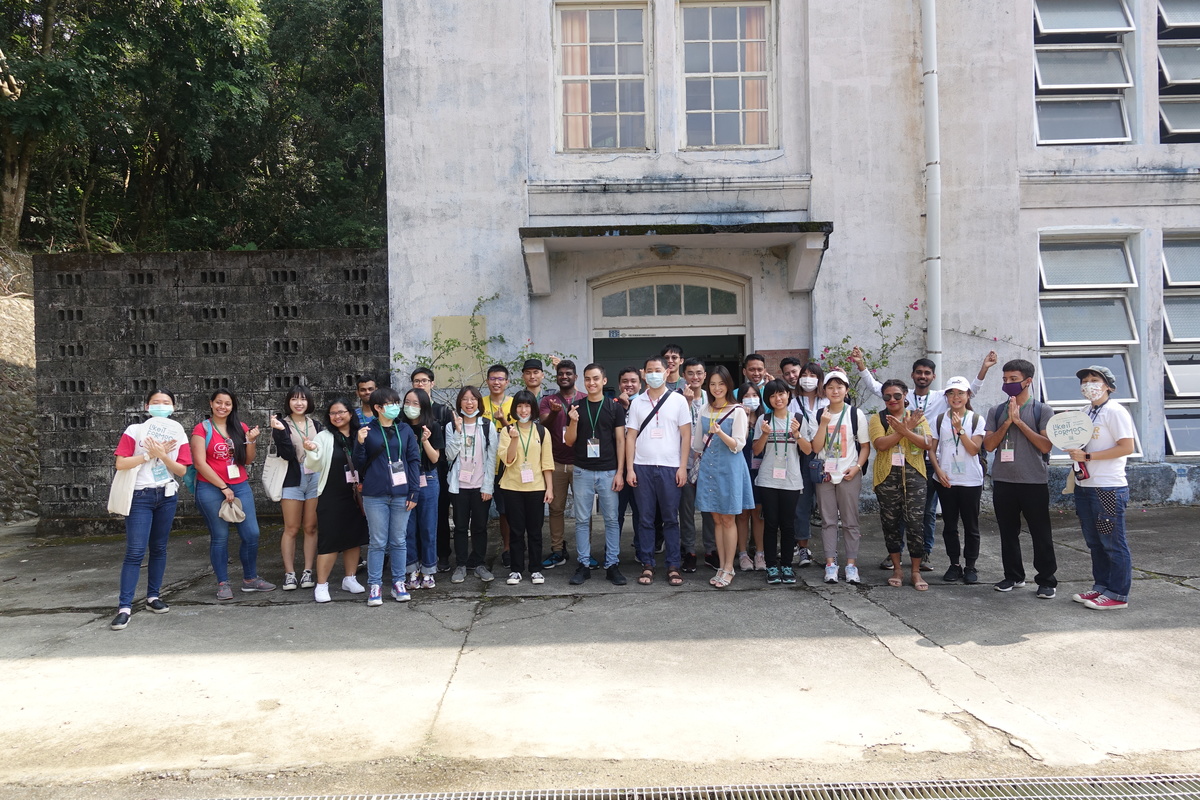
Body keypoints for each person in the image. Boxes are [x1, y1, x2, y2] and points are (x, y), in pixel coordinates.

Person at [850, 348, 998, 571]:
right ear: (912, 375)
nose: (922, 376)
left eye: (927, 373)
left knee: (925, 512)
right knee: (897, 512)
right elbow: (877, 387)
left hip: (930, 460)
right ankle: (895, 554)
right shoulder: (903, 393)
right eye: (919, 372)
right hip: (905, 458)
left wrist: (984, 369)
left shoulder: (942, 396)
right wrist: (861, 366)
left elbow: (969, 392)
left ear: (933, 377)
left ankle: (924, 552)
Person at [110, 389, 192, 630]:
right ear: (147, 407)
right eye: (156, 402)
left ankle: (153, 597)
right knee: (135, 551)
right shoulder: (135, 431)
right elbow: (121, 462)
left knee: (159, 548)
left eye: (166, 402)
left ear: (173, 408)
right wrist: (148, 455)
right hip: (140, 495)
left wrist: (163, 455)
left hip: (166, 495)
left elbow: (182, 470)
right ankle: (124, 607)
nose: (161, 405)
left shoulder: (178, 433)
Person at [982, 359, 1058, 598]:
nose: (1008, 384)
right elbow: (990, 445)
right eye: (1005, 380)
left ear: (1028, 381)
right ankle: (1013, 575)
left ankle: (1046, 580)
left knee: (1040, 532)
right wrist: (1007, 421)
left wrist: (1020, 422)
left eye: (1013, 379)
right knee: (1007, 531)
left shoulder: (1042, 410)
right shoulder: (996, 410)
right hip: (1004, 480)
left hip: (1033, 481)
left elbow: (1046, 445)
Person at [191, 390, 272, 599]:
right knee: (220, 536)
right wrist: (223, 487)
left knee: (252, 533)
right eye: (219, 402)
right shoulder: (202, 429)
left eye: (227, 403)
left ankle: (250, 579)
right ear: (211, 404)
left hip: (240, 485)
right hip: (210, 487)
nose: (223, 407)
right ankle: (223, 583)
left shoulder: (240, 427)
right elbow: (200, 463)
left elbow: (246, 461)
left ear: (232, 406)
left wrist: (251, 441)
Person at [1068, 366, 1136, 610]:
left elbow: (1126, 447)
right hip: (1085, 486)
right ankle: (1101, 587)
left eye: (1094, 380)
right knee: (1094, 541)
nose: (1089, 384)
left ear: (1108, 385)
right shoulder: (1085, 412)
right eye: (1085, 381)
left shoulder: (1115, 412)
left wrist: (1087, 457)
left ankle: (1118, 594)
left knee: (1112, 542)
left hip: (1107, 488)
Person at [624, 355, 692, 586]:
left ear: (667, 373)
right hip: (642, 467)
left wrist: (683, 467)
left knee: (671, 519)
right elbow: (630, 436)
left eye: (658, 370)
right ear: (644, 374)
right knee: (645, 519)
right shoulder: (637, 402)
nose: (654, 374)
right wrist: (629, 469)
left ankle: (673, 565)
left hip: (670, 468)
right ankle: (647, 564)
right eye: (649, 370)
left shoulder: (678, 401)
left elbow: (686, 435)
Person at [354, 387, 421, 605]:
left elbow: (413, 460)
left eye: (395, 402)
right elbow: (359, 464)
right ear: (377, 408)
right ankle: (375, 586)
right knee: (378, 542)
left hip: (402, 494)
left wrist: (414, 491)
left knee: (399, 540)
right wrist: (360, 444)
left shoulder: (405, 430)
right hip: (375, 495)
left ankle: (398, 583)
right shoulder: (366, 430)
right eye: (389, 403)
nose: (394, 407)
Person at [564, 364, 628, 585]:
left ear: (603, 380)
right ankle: (584, 564)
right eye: (587, 379)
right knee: (582, 520)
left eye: (595, 378)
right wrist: (572, 421)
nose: (591, 383)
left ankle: (612, 564)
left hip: (609, 471)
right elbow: (569, 441)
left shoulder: (614, 407)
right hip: (582, 471)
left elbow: (621, 441)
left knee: (611, 520)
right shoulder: (576, 407)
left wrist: (620, 472)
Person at [693, 366, 755, 588]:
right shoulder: (704, 409)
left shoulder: (737, 410)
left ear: (729, 385)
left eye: (721, 383)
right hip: (709, 469)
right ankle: (721, 565)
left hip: (730, 469)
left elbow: (739, 445)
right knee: (716, 519)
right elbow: (697, 444)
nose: (716, 388)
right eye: (712, 384)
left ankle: (729, 567)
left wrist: (720, 433)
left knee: (728, 518)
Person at [301, 398, 369, 602]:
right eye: (332, 413)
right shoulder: (324, 436)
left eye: (341, 412)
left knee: (354, 538)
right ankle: (322, 584)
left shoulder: (360, 435)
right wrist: (311, 450)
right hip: (331, 493)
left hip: (355, 494)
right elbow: (315, 464)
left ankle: (350, 578)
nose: (337, 416)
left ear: (350, 413)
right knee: (330, 539)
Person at [869, 379, 933, 591]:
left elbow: (926, 443)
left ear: (905, 395)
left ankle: (915, 571)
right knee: (891, 524)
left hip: (914, 476)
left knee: (915, 524)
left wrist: (906, 429)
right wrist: (906, 430)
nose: (892, 400)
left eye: (897, 395)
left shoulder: (917, 416)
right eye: (887, 396)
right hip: (887, 477)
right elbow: (880, 444)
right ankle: (897, 568)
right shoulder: (878, 418)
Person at [808, 371, 870, 585]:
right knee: (828, 522)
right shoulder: (818, 415)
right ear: (824, 391)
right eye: (831, 387)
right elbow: (815, 448)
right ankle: (830, 564)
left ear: (846, 390)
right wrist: (824, 423)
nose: (835, 391)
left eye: (839, 387)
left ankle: (851, 565)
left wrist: (857, 467)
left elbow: (864, 446)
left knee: (851, 522)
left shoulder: (855, 414)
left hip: (848, 474)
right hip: (825, 475)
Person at [927, 377, 987, 585]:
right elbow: (932, 450)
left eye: (960, 393)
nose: (956, 397)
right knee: (950, 525)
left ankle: (970, 565)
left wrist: (960, 429)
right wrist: (938, 470)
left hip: (970, 480)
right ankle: (954, 564)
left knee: (971, 525)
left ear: (968, 395)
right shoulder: (938, 419)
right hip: (946, 479)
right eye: (951, 393)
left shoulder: (976, 419)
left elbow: (973, 450)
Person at [752, 379, 812, 585]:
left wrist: (796, 435)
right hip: (768, 479)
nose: (778, 398)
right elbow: (757, 450)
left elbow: (808, 449)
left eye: (781, 394)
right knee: (770, 524)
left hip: (791, 480)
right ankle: (771, 566)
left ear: (788, 395)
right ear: (768, 399)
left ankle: (786, 565)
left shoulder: (799, 419)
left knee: (788, 525)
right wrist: (765, 434)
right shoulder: (764, 419)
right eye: (772, 395)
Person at [497, 390, 555, 585]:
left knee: (535, 530)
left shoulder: (541, 431)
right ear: (515, 409)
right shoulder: (507, 431)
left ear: (533, 408)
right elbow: (508, 459)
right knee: (516, 530)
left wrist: (550, 488)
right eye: (520, 406)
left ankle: (536, 569)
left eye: (527, 406)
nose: (523, 410)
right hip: (512, 487)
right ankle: (516, 569)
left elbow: (547, 461)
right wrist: (513, 439)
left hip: (536, 487)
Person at [269, 385, 323, 591]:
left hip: (314, 477)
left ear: (309, 402)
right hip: (291, 477)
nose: (299, 403)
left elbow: (323, 453)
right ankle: (289, 573)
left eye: (303, 399)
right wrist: (281, 432)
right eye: (294, 399)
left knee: (310, 527)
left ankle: (308, 571)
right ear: (288, 402)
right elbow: (287, 455)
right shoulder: (281, 424)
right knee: (291, 528)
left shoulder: (316, 425)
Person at [444, 386, 498, 584]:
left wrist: (488, 487)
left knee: (480, 527)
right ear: (459, 403)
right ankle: (460, 564)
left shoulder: (486, 425)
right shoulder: (451, 426)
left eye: (473, 399)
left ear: (478, 402)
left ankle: (479, 563)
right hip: (458, 486)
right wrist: (458, 432)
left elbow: (492, 458)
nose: (469, 403)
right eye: (465, 399)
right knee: (459, 527)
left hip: (479, 485)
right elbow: (449, 455)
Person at [539, 359, 583, 570]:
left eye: (568, 373)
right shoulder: (548, 401)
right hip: (555, 462)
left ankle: (586, 551)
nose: (564, 377)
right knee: (555, 509)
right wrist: (556, 412)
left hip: (581, 463)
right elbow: (544, 424)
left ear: (575, 377)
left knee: (583, 511)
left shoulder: (584, 399)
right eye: (560, 374)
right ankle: (557, 550)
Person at [411, 368, 455, 573]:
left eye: (424, 381)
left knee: (439, 514)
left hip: (438, 470)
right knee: (415, 518)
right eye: (416, 381)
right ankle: (418, 557)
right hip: (412, 472)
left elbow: (448, 443)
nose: (420, 384)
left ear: (432, 383)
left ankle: (443, 554)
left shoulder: (442, 411)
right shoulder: (407, 414)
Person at [402, 387, 442, 590]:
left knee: (427, 527)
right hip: (405, 480)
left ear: (424, 405)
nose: (410, 407)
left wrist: (425, 440)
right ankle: (411, 570)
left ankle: (428, 571)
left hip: (427, 478)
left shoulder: (433, 425)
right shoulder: (399, 426)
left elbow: (435, 459)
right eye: (407, 402)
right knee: (408, 529)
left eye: (416, 403)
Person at [788, 361, 828, 568]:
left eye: (813, 375)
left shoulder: (828, 400)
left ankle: (831, 551)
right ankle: (802, 547)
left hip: (827, 457)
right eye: (805, 374)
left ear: (820, 379)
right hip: (801, 455)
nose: (808, 378)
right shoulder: (792, 401)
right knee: (801, 504)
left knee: (827, 504)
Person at [679, 357, 716, 572]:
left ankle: (711, 550)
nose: (695, 377)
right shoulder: (676, 398)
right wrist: (687, 402)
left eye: (699, 373)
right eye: (691, 373)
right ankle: (689, 551)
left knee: (709, 510)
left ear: (705, 376)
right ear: (684, 376)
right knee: (686, 510)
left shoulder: (712, 400)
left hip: (709, 463)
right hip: (686, 463)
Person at [483, 363, 515, 567]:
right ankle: (478, 552)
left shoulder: (514, 403)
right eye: (493, 379)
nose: (496, 382)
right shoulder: (478, 403)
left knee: (506, 511)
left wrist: (503, 421)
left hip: (507, 466)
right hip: (483, 466)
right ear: (487, 381)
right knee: (480, 511)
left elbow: (517, 433)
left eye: (500, 379)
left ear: (507, 382)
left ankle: (508, 547)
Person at [734, 381, 765, 572]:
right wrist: (743, 417)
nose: (751, 399)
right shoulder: (736, 418)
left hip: (761, 471)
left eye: (755, 395)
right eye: (747, 395)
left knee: (759, 514)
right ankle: (743, 554)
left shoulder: (765, 419)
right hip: (740, 470)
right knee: (743, 514)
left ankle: (760, 553)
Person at [614, 366, 642, 539]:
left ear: (640, 384)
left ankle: (641, 550)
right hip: (618, 466)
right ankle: (612, 553)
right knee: (616, 513)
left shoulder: (647, 405)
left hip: (640, 465)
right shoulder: (612, 405)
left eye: (633, 381)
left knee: (641, 512)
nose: (629, 385)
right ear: (619, 385)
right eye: (625, 381)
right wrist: (622, 408)